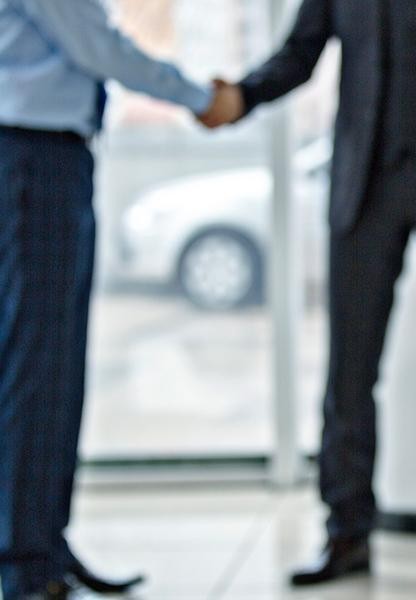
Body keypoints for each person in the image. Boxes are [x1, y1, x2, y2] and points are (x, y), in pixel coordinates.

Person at [204, 0, 416, 587]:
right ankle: (347, 531)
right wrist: (242, 95)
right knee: (350, 371)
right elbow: (300, 52)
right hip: (366, 185)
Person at [0, 1, 237, 598]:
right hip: (31, 158)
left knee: (47, 364)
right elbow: (96, 46)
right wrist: (198, 97)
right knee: (38, 366)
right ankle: (25, 562)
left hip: (40, 156)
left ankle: (42, 546)